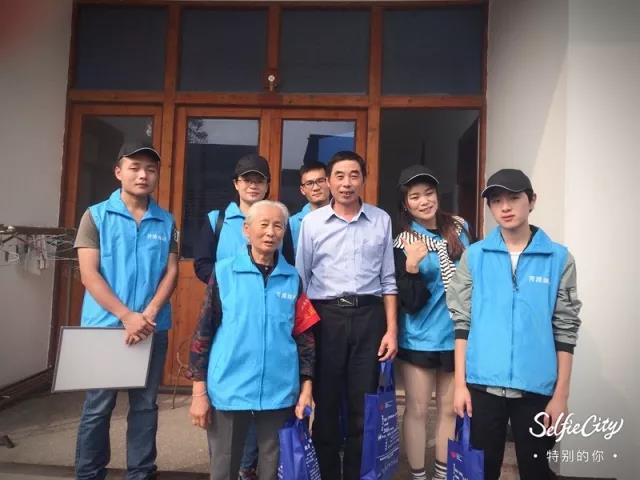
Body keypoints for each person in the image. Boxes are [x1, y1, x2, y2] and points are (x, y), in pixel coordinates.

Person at [447, 169, 582, 480]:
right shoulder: (475, 256)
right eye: (496, 201)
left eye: (513, 198)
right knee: (480, 471)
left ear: (532, 201)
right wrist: (460, 385)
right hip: (482, 385)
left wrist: (560, 396)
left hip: (537, 388)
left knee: (536, 470)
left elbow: (566, 328)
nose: (505, 207)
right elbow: (462, 323)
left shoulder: (559, 258)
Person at [188, 200, 318, 480]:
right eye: (264, 225)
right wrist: (199, 392)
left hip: (279, 390)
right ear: (246, 230)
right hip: (229, 386)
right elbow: (203, 332)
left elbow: (304, 337)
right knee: (224, 468)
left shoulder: (291, 278)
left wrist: (306, 387)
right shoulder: (224, 272)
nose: (271, 232)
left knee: (272, 469)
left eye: (278, 226)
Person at [74, 141, 179, 480]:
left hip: (151, 327)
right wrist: (126, 315)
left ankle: (141, 472)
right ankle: (89, 473)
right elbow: (89, 274)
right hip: (106, 327)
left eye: (150, 169)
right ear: (119, 172)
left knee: (145, 406)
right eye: (134, 168)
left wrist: (147, 315)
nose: (143, 175)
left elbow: (171, 272)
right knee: (98, 407)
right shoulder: (95, 216)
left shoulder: (166, 221)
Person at [295, 150, 398, 480]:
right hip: (325, 318)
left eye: (354, 175)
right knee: (325, 404)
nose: (346, 183)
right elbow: (301, 280)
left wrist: (391, 330)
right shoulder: (312, 223)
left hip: (369, 318)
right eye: (339, 176)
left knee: (362, 406)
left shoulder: (380, 220)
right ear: (328, 181)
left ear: (363, 179)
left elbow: (388, 280)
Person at [192, 153, 286, 479]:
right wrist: (232, 286)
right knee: (234, 401)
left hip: (267, 316)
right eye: (247, 179)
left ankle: (250, 465)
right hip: (228, 313)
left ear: (268, 185)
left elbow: (286, 264)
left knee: (262, 400)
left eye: (259, 179)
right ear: (236, 184)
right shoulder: (218, 219)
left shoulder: (278, 219)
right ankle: (239, 465)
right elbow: (201, 263)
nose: (253, 185)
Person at [393, 165, 471, 480]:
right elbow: (409, 303)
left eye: (429, 193)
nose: (424, 201)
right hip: (420, 337)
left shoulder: (460, 227)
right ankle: (418, 475)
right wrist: (411, 266)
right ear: (405, 204)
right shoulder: (403, 241)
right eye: (415, 197)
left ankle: (442, 474)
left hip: (456, 336)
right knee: (417, 409)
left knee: (449, 410)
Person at [287, 161, 331, 254]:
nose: (316, 188)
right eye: (309, 183)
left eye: (320, 181)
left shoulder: (342, 217)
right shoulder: (292, 224)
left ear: (329, 182)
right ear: (302, 190)